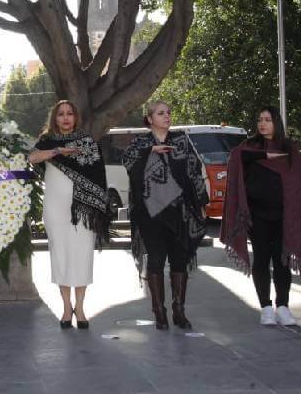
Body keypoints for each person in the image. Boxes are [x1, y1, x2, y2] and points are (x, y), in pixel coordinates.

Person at [221, 106, 301, 327]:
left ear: (277, 122)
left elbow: (297, 185)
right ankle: (266, 308)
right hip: (257, 215)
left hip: (286, 215)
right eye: (259, 120)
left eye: (267, 119)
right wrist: (265, 155)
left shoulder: (290, 149)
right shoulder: (248, 147)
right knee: (262, 259)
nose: (262, 124)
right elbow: (236, 158)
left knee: (282, 260)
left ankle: (282, 307)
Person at [121, 101, 208, 330]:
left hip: (180, 211)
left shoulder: (181, 139)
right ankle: (159, 312)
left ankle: (179, 311)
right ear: (150, 119)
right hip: (150, 213)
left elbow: (194, 170)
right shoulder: (141, 143)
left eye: (168, 113)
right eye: (161, 113)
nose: (167, 116)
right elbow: (128, 162)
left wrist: (201, 202)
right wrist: (150, 151)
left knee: (179, 260)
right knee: (157, 259)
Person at [28, 101, 112, 330]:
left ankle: (81, 308)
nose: (65, 118)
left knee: (82, 256)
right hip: (55, 208)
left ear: (76, 118)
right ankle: (66, 308)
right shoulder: (47, 143)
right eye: (61, 114)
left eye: (70, 114)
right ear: (55, 118)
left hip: (84, 211)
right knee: (61, 255)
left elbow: (98, 178)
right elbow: (32, 158)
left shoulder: (87, 143)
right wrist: (57, 151)